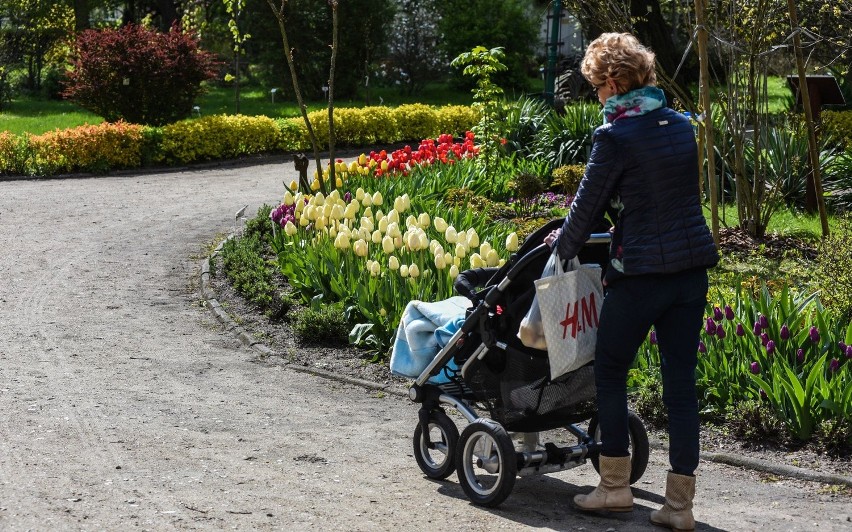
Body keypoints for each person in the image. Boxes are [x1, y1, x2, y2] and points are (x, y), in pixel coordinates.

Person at [544, 33, 719, 531]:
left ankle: (614, 487)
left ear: (615, 82)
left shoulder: (615, 136)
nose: (596, 96)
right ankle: (680, 507)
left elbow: (586, 205)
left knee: (611, 369)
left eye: (597, 87)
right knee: (681, 384)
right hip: (691, 273)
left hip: (641, 273)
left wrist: (560, 250)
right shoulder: (680, 125)